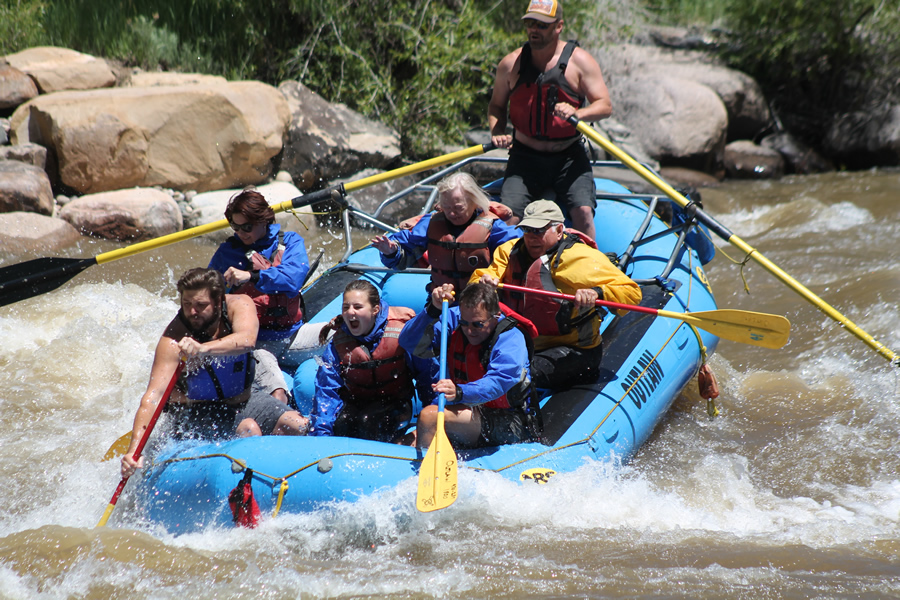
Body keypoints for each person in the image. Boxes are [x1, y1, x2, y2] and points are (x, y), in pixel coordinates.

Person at [121, 268, 308, 478]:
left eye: (201, 305)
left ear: (219, 301)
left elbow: (247, 340)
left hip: (244, 400)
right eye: (186, 304)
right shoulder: (174, 339)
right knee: (249, 430)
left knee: (299, 425)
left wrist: (204, 348)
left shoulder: (240, 304)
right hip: (196, 413)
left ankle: (287, 479)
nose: (192, 312)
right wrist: (133, 450)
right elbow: (153, 397)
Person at [473, 200, 641, 389]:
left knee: (519, 376)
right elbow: (479, 280)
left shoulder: (581, 258)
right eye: (527, 230)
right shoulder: (509, 250)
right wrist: (483, 283)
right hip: (522, 344)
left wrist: (596, 292)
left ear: (559, 230)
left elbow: (632, 292)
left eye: (539, 230)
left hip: (575, 350)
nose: (531, 237)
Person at [488, 0, 613, 241]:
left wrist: (579, 114)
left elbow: (604, 105)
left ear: (559, 26)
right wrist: (497, 131)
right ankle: (508, 268)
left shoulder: (581, 62)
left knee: (584, 213)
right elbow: (496, 106)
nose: (534, 29)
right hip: (524, 158)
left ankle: (589, 270)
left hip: (568, 157)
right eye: (530, 24)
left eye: (542, 25)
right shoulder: (510, 64)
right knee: (509, 217)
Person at [400, 282, 540, 450]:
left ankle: (425, 471)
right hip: (467, 410)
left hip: (512, 421)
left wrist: (460, 392)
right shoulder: (455, 320)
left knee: (429, 417)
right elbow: (408, 342)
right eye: (465, 323)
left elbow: (499, 381)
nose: (469, 330)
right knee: (404, 442)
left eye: (478, 324)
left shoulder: (511, 339)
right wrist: (432, 310)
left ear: (495, 316)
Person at [208, 189, 326, 382]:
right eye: (234, 227)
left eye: (246, 227)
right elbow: (206, 295)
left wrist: (251, 276)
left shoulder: (290, 242)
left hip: (294, 335)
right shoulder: (227, 253)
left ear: (263, 220)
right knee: (277, 392)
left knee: (343, 332)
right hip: (257, 342)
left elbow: (293, 279)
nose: (240, 233)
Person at [309, 280, 434, 442]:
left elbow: (427, 377)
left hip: (396, 404)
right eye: (346, 307)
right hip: (356, 403)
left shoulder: (402, 333)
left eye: (358, 307)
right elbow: (326, 390)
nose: (350, 312)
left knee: (368, 423)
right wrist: (321, 435)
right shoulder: (338, 343)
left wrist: (431, 419)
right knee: (342, 425)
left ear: (375, 310)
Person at [370, 172, 520, 296]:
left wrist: (494, 275)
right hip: (440, 299)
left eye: (458, 207)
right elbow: (407, 248)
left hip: (480, 301)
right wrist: (392, 251)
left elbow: (516, 247)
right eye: (446, 207)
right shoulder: (432, 222)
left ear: (475, 202)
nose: (452, 213)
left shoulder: (494, 227)